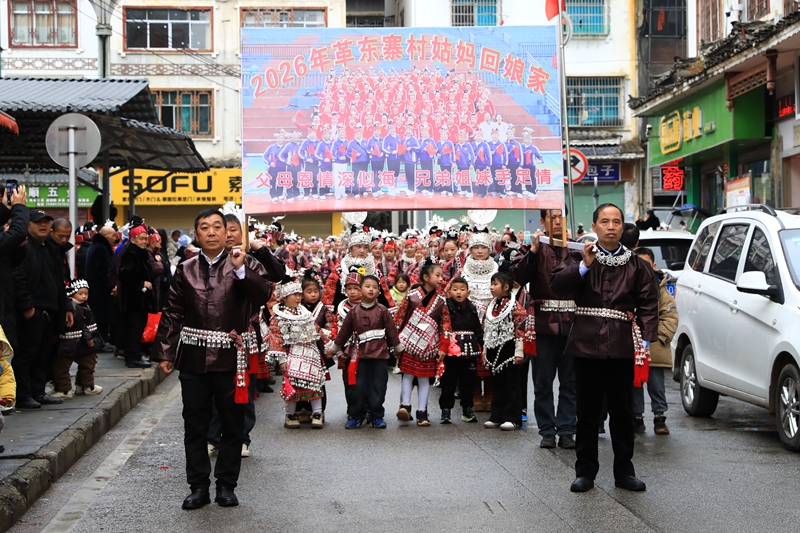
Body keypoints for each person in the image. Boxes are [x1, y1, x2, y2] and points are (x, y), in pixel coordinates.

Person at [151, 208, 274, 510]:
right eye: (204, 227)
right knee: (195, 424)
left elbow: (262, 296)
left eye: (217, 227)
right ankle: (198, 487)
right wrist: (165, 352)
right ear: (196, 234)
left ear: (226, 232)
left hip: (231, 361)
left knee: (231, 425)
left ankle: (226, 486)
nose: (211, 232)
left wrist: (242, 270)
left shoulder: (245, 263)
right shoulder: (186, 267)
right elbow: (172, 312)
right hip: (193, 360)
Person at [550, 203, 658, 493]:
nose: (611, 226)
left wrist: (647, 335)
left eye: (617, 222)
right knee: (587, 411)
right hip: (585, 344)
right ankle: (585, 472)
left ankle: (624, 472)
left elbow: (649, 302)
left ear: (623, 227)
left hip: (622, 344)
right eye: (605, 221)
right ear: (595, 226)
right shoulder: (579, 256)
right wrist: (584, 267)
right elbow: (557, 285)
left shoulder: (638, 265)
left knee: (623, 412)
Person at [509, 209, 577, 449]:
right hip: (542, 324)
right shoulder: (531, 248)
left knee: (570, 381)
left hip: (572, 325)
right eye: (552, 217)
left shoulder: (578, 247)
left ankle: (567, 429)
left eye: (561, 217)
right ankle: (547, 429)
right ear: (543, 221)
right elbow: (516, 274)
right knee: (543, 381)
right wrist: (534, 252)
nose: (557, 222)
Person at [12, 209, 70, 409]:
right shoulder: (24, 247)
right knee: (27, 354)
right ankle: (23, 395)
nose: (43, 225)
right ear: (28, 224)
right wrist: (27, 307)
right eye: (38, 222)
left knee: (43, 354)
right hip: (32, 311)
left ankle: (38, 391)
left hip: (50, 310)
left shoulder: (50, 249)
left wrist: (65, 308)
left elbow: (59, 281)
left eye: (46, 222)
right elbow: (18, 278)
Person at [330, 275, 403, 429]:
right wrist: (333, 349)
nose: (371, 289)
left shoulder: (383, 311)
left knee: (378, 385)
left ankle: (376, 416)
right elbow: (343, 334)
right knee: (357, 386)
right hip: (358, 355)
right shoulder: (353, 312)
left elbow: (391, 332)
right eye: (367, 286)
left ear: (379, 292)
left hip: (380, 355)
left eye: (375, 287)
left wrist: (398, 349)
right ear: (360, 290)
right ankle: (356, 416)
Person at [266, 272, 330, 429]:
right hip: (291, 354)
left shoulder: (304, 313)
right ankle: (290, 415)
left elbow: (316, 330)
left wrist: (330, 344)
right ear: (284, 298)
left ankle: (317, 413)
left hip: (311, 353)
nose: (298, 298)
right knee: (292, 385)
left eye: (299, 294)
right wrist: (281, 360)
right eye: (294, 294)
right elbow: (276, 338)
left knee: (315, 383)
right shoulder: (278, 317)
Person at [394, 259, 453, 426]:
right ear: (426, 277)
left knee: (424, 378)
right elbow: (399, 319)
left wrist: (443, 346)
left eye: (442, 275)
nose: (441, 279)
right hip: (409, 343)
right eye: (438, 275)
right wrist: (395, 341)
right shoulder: (411, 297)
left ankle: (422, 412)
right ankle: (405, 406)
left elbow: (445, 325)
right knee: (408, 374)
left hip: (429, 346)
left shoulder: (441, 301)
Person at [632, 247, 678, 435]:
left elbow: (670, 317)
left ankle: (660, 417)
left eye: (646, 264)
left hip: (656, 347)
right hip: (633, 346)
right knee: (634, 384)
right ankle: (637, 418)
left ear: (654, 266)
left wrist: (659, 338)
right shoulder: (628, 286)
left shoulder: (662, 290)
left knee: (657, 385)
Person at [482, 272, 531, 431]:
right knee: (497, 385)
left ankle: (512, 417)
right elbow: (486, 327)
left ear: (506, 287)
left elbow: (521, 328)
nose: (491, 287)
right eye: (491, 284)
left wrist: (519, 351)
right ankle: (497, 415)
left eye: (495, 284)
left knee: (512, 384)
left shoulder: (515, 306)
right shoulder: (492, 304)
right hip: (493, 348)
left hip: (509, 349)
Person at [439, 277, 483, 424]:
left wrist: (482, 345)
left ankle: (467, 409)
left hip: (470, 349)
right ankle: (446, 410)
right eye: (455, 289)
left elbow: (477, 329)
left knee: (469, 381)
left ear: (468, 292)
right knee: (449, 380)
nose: (459, 292)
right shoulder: (445, 307)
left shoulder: (472, 308)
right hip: (451, 349)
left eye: (462, 289)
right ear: (449, 291)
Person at [51, 280, 104, 399]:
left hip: (69, 343)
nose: (84, 296)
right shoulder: (74, 307)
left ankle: (75, 387)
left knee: (76, 366)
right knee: (70, 366)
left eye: (86, 293)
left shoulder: (81, 306)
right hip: (74, 342)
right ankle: (77, 387)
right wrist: (89, 338)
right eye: (80, 293)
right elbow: (83, 325)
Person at [117, 222, 156, 369]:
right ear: (133, 239)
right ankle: (133, 357)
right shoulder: (131, 253)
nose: (145, 242)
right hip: (134, 300)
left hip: (140, 299)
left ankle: (135, 355)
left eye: (146, 238)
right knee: (134, 328)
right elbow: (124, 274)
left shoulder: (140, 252)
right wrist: (141, 284)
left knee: (137, 328)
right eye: (141, 238)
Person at [85, 225, 117, 349]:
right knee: (101, 318)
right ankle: (101, 343)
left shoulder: (94, 246)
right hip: (100, 291)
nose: (115, 238)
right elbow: (103, 271)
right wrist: (111, 284)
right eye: (112, 235)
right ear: (105, 236)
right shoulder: (101, 248)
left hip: (95, 289)